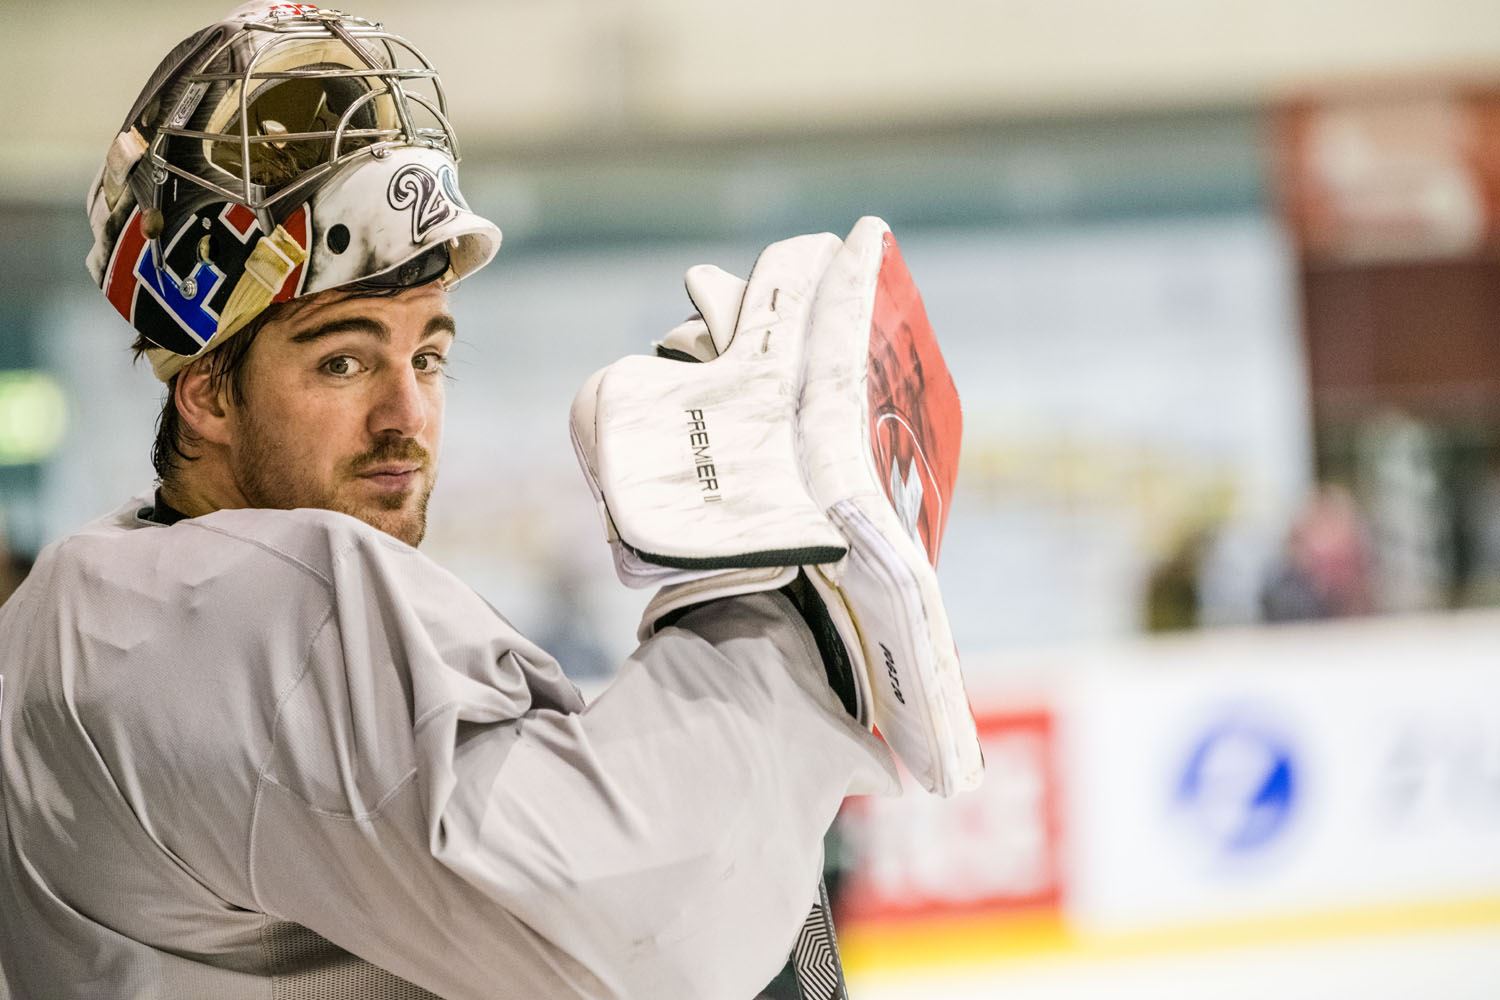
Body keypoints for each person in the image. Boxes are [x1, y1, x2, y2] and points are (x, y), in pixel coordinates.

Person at [0, 5, 979, 999]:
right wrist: (785, 605)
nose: (406, 414)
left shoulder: (70, 614)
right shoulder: (246, 611)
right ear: (205, 391)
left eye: (427, 353)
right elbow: (652, 927)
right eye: (342, 359)